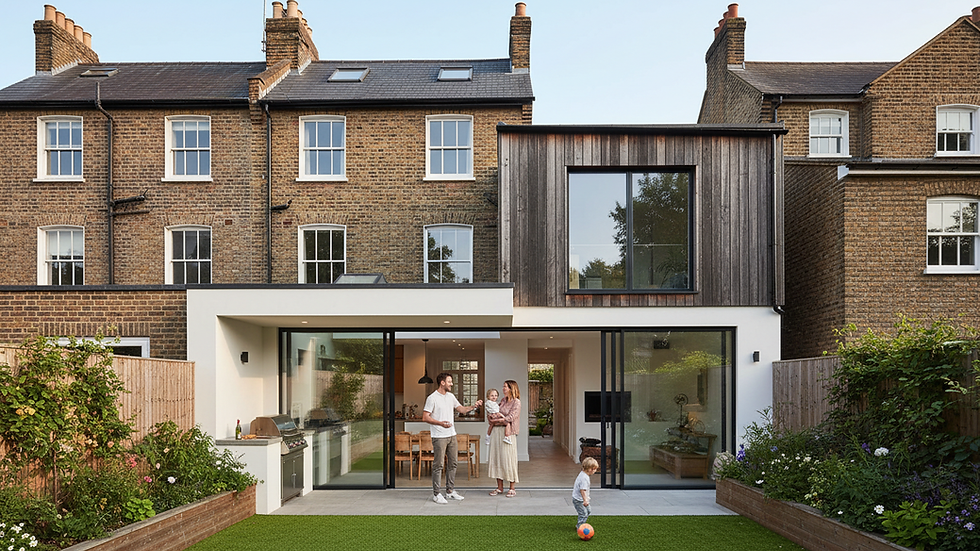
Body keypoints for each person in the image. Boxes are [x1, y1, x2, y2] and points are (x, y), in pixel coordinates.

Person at [421, 372, 482, 504]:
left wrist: (473, 406)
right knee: (438, 465)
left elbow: (461, 409)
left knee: (453, 463)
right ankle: (436, 494)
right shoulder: (432, 398)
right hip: (439, 436)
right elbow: (425, 417)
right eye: (449, 381)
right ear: (442, 382)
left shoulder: (450, 396)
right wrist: (440, 423)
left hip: (451, 435)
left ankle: (450, 491)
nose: (452, 384)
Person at [487, 379, 521, 497]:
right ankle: (499, 487)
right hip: (496, 432)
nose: (503, 388)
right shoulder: (502, 400)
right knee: (497, 458)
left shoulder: (516, 402)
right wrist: (496, 419)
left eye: (505, 387)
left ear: (512, 389)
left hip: (508, 433)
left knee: (509, 459)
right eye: (503, 386)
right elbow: (492, 414)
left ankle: (512, 487)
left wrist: (499, 419)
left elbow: (511, 417)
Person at [572, 457, 599, 529]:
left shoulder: (583, 474)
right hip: (579, 500)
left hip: (581, 499)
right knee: (583, 514)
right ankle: (580, 527)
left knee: (588, 511)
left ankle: (581, 524)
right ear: (590, 469)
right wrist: (585, 500)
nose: (595, 471)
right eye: (595, 469)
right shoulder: (584, 478)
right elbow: (582, 490)